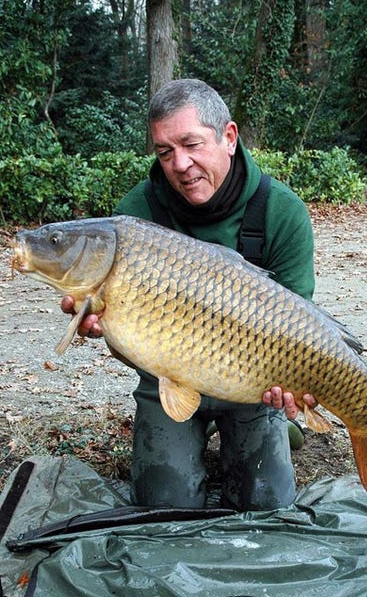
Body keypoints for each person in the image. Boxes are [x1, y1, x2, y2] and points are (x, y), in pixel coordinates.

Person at [62, 78, 317, 511]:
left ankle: (277, 428)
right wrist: (100, 326)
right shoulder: (135, 217)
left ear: (229, 137)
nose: (180, 164)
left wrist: (293, 389)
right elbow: (130, 349)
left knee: (266, 502)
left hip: (252, 380)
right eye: (165, 152)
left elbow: (299, 330)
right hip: (167, 376)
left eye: (191, 144)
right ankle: (194, 434)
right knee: (163, 504)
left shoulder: (282, 211)